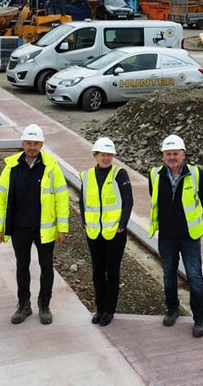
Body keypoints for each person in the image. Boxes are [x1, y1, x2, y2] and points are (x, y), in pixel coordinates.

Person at [0, 124, 69, 325]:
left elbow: (62, 198)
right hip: (19, 227)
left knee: (46, 266)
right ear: (23, 143)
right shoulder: (11, 168)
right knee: (22, 265)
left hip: (44, 228)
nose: (32, 147)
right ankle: (24, 306)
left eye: (35, 143)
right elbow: (0, 197)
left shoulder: (51, 168)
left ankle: (44, 305)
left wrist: (62, 228)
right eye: (28, 143)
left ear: (42, 144)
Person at [148, 134, 203, 338]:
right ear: (163, 156)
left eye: (175, 153)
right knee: (168, 276)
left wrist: (190, 214)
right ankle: (172, 310)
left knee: (194, 277)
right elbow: (154, 195)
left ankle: (199, 319)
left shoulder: (195, 174)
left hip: (189, 236)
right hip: (167, 236)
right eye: (168, 154)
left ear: (183, 155)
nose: (172, 157)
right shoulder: (155, 174)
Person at [83, 137, 133, 327]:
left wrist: (122, 225)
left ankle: (109, 310)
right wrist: (84, 223)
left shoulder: (120, 174)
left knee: (112, 272)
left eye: (109, 155)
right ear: (96, 155)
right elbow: (82, 200)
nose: (106, 158)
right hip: (94, 233)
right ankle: (100, 307)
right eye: (103, 154)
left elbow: (128, 201)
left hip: (115, 233)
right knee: (97, 271)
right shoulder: (87, 176)